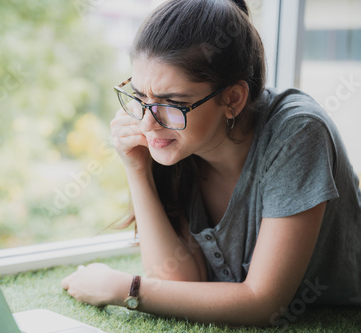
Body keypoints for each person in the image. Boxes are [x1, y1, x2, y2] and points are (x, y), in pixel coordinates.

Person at [61, 0, 361, 326]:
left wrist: (123, 288)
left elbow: (263, 303)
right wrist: (137, 170)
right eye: (140, 98)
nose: (147, 123)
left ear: (232, 99)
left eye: (172, 103)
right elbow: (181, 283)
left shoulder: (298, 132)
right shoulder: (183, 142)